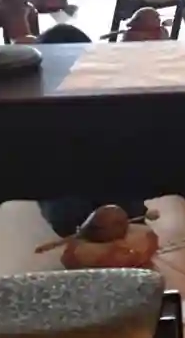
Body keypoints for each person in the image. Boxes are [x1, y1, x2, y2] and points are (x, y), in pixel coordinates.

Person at [34, 24, 151, 238]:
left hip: (97, 195)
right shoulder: (44, 108)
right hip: (72, 201)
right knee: (71, 215)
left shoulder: (104, 99)